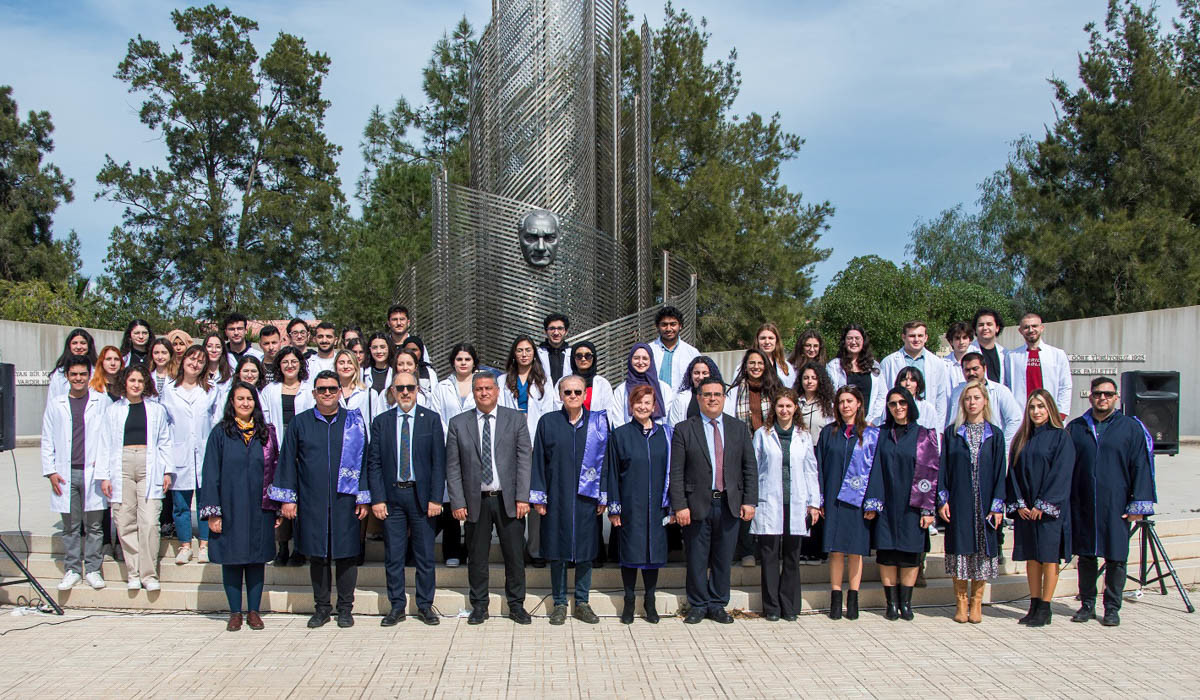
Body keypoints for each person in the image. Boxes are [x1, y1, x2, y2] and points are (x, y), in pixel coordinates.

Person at [270, 370, 371, 629]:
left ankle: (345, 608)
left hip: (345, 500)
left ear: (340, 392)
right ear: (314, 393)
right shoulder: (300, 423)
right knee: (318, 554)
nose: (327, 393)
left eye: (332, 389)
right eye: (322, 389)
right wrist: (288, 499)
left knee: (346, 555)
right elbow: (287, 461)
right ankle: (322, 608)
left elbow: (364, 460)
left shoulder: (353, 422)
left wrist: (363, 496)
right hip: (311, 500)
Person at [1067, 376, 1156, 627]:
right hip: (1084, 503)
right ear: (1090, 396)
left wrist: (1138, 504)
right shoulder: (1076, 428)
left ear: (1116, 397)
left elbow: (1141, 466)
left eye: (1107, 394)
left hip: (1116, 504)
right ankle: (1087, 604)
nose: (1102, 398)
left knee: (1116, 557)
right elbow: (1066, 467)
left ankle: (1112, 608)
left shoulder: (1130, 428)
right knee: (1086, 556)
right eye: (1098, 394)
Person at [445, 372, 534, 625]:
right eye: (479, 389)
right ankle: (479, 606)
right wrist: (458, 502)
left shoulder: (515, 419)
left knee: (514, 556)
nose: (484, 393)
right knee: (477, 557)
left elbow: (524, 460)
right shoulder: (458, 423)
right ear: (473, 393)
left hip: (509, 500)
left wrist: (523, 497)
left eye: (488, 388)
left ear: (497, 391)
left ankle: (516, 605)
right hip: (476, 501)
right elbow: (452, 466)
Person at [670, 377, 757, 624]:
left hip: (729, 503)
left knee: (723, 558)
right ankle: (698, 605)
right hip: (697, 504)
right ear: (698, 398)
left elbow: (749, 467)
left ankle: (718, 604)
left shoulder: (738, 428)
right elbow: (676, 472)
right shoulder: (684, 429)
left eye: (717, 394)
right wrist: (680, 505)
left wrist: (750, 501)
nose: (712, 399)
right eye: (707, 394)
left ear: (724, 398)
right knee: (697, 558)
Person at [198, 382, 281, 632]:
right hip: (231, 507)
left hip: (259, 507)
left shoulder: (266, 433)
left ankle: (254, 611)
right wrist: (213, 512)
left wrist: (276, 506)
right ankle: (235, 612)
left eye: (249, 399)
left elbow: (276, 470)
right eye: (240, 399)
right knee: (232, 560)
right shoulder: (221, 433)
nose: (245, 403)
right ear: (232, 402)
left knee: (256, 560)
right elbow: (210, 472)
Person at [366, 371, 446, 627]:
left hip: (421, 498)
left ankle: (425, 605)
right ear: (392, 391)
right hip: (392, 498)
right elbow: (374, 463)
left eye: (410, 387)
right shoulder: (381, 422)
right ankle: (396, 606)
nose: (405, 392)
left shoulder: (431, 419)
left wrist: (436, 498)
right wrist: (378, 499)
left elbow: (439, 462)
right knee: (394, 556)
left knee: (424, 556)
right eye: (400, 388)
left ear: (417, 390)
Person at [530, 375, 609, 624]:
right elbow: (538, 461)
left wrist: (603, 495)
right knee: (557, 550)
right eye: (568, 392)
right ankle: (560, 603)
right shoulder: (548, 422)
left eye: (577, 392)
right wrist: (539, 496)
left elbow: (606, 462)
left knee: (586, 550)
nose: (573, 396)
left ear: (585, 394)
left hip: (587, 498)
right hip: (557, 496)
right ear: (560, 395)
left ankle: (582, 602)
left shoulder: (598, 424)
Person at [95, 364, 174, 591]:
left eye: (140, 381)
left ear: (145, 383)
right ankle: (133, 572)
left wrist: (167, 471)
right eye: (132, 381)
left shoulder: (156, 410)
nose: (136, 385)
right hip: (121, 465)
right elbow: (104, 443)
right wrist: (104, 476)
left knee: (149, 521)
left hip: (150, 465)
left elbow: (165, 441)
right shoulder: (113, 410)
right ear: (124, 383)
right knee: (124, 519)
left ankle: (149, 575)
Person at [939, 379, 1006, 624]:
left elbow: (1000, 471)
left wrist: (997, 505)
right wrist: (942, 499)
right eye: (967, 398)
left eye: (976, 398)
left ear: (985, 401)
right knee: (960, 550)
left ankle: (977, 602)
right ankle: (961, 602)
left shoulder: (995, 434)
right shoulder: (953, 432)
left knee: (982, 553)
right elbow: (943, 469)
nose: (972, 402)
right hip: (960, 501)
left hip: (985, 502)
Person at [1006, 389, 1075, 627]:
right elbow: (1013, 473)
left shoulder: (1061, 437)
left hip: (1049, 512)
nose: (1036, 411)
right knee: (1032, 558)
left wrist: (1043, 504)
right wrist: (1020, 504)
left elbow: (1061, 473)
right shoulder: (1022, 438)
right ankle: (1033, 604)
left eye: (1041, 406)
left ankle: (1045, 607)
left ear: (1050, 409)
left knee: (1048, 558)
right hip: (1026, 511)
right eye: (1033, 407)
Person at [605, 385, 673, 624]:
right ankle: (629, 600)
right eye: (638, 402)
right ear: (631, 405)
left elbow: (673, 471)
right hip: (630, 505)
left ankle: (650, 601)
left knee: (653, 555)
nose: (643, 407)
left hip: (657, 506)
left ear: (654, 407)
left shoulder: (666, 435)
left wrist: (673, 505)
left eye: (647, 403)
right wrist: (614, 508)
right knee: (631, 554)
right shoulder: (620, 435)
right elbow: (612, 473)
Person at [43, 356, 111, 591]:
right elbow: (47, 438)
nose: (78, 378)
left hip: (93, 472)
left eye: (83, 374)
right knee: (70, 526)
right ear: (67, 377)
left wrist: (105, 471)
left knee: (94, 526)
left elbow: (109, 437)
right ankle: (72, 569)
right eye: (74, 374)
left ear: (89, 376)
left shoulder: (101, 401)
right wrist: (50, 471)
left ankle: (93, 569)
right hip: (65, 473)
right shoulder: (57, 404)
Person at [870, 387, 939, 621]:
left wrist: (928, 508)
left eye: (902, 402)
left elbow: (931, 473)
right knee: (887, 553)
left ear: (910, 404)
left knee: (910, 553)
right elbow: (873, 467)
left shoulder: (924, 435)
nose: (898, 407)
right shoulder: (880, 434)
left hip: (913, 503)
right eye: (893, 404)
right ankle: (891, 603)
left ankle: (906, 603)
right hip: (887, 501)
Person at [751, 389, 820, 621]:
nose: (784, 410)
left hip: (796, 503)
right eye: (780, 406)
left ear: (795, 408)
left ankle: (789, 607)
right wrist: (751, 500)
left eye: (788, 406)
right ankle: (772, 607)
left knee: (792, 557)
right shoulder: (762, 434)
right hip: (769, 502)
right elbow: (753, 468)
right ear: (774, 408)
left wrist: (814, 503)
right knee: (769, 557)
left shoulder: (804, 436)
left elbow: (810, 470)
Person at [816, 386, 880, 620]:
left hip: (857, 501)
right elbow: (819, 467)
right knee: (835, 550)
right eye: (841, 401)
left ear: (859, 404)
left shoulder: (870, 435)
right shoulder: (829, 433)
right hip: (833, 498)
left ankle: (853, 598)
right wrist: (820, 498)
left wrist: (872, 501)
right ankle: (835, 598)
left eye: (849, 401)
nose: (845, 405)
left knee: (855, 551)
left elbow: (876, 471)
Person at [498, 335, 554, 568]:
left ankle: (536, 549)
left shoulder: (544, 381)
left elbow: (548, 413)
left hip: (536, 446)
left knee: (536, 497)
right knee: (513, 498)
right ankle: (516, 548)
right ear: (514, 353)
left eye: (528, 350)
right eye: (520, 350)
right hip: (509, 446)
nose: (524, 354)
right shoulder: (502, 380)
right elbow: (500, 411)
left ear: (534, 354)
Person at [724, 348, 782, 567]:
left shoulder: (775, 390)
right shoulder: (735, 391)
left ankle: (769, 548)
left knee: (769, 498)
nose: (756, 367)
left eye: (760, 363)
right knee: (746, 498)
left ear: (766, 366)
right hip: (743, 450)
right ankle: (747, 549)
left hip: (770, 450)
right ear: (745, 366)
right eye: (752, 363)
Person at [163, 345, 218, 565]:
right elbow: (165, 424)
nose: (195, 364)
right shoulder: (169, 390)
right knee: (181, 505)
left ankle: (204, 545)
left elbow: (215, 421)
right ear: (183, 360)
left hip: (204, 453)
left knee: (206, 503)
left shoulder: (211, 389)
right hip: (178, 454)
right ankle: (185, 545)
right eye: (192, 359)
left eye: (200, 361)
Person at [260, 346, 313, 567]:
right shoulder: (269, 390)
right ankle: (282, 547)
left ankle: (299, 549)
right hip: (278, 452)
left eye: (294, 362)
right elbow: (264, 421)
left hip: (304, 453)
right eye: (285, 362)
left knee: (302, 501)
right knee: (280, 499)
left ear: (300, 364)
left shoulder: (309, 389)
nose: (290, 366)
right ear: (279, 365)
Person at [431, 343, 479, 569]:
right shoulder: (442, 387)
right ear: (453, 362)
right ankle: (451, 551)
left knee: (474, 501)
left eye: (467, 359)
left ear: (474, 362)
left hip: (476, 450)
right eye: (459, 359)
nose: (463, 363)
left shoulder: (482, 384)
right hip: (448, 448)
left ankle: (470, 550)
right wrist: (451, 440)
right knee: (451, 499)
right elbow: (437, 417)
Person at [795, 361, 835, 565]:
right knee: (802, 501)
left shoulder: (829, 405)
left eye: (813, 378)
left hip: (821, 454)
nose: (809, 381)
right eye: (805, 378)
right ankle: (803, 549)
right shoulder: (796, 402)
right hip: (800, 455)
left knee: (818, 500)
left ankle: (819, 549)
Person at [945, 353, 1022, 457]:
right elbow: (951, 420)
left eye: (975, 369)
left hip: (992, 449)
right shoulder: (957, 392)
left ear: (984, 368)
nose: (971, 373)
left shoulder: (1000, 391)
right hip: (962, 450)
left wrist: (1003, 446)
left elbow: (1015, 419)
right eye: (967, 370)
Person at [879, 320, 952, 430]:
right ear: (903, 337)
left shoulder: (937, 363)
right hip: (897, 419)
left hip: (926, 419)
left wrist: (939, 430)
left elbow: (940, 397)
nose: (916, 339)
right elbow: (882, 395)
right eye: (912, 336)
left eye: (920, 336)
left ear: (926, 338)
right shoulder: (888, 362)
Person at [1005, 313, 1073, 417]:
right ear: (1020, 331)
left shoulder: (1057, 354)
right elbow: (1007, 386)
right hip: (1022, 415)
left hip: (1050, 414)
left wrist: (1061, 412)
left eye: (1034, 326)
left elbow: (1065, 385)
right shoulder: (1012, 356)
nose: (1031, 330)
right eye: (1026, 327)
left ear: (1041, 328)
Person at [825, 324, 885, 423]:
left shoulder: (874, 365)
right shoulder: (834, 366)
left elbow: (881, 395)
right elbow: (831, 396)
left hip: (868, 423)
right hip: (843, 422)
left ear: (863, 341)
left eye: (857, 338)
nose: (853, 342)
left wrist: (873, 421)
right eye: (849, 338)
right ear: (844, 342)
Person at [611, 343, 673, 428]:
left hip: (658, 434)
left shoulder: (664, 388)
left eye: (645, 358)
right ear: (630, 360)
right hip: (628, 434)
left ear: (651, 360)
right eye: (636, 358)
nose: (640, 362)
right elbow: (618, 421)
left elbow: (668, 420)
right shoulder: (621, 390)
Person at [648, 306, 700, 392]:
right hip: (653, 399)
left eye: (673, 324)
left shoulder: (692, 353)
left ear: (680, 326)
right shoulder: (648, 351)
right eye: (664, 325)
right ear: (657, 326)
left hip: (683, 400)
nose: (668, 329)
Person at [667, 356, 723, 426]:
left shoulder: (722, 398)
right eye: (696, 373)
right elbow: (674, 427)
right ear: (691, 375)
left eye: (705, 373)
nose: (700, 377)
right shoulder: (681, 399)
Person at [47, 329, 97, 402]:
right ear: (69, 346)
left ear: (89, 346)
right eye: (74, 343)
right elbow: (52, 400)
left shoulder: (98, 371)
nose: (79, 347)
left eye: (83, 343)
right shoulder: (59, 373)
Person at [568, 341, 614, 414]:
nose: (583, 359)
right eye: (579, 356)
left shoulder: (602, 383)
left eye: (588, 356)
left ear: (593, 358)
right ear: (573, 358)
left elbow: (608, 411)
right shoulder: (564, 382)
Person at [970, 308, 1008, 385]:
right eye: (981, 325)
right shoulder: (968, 352)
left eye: (989, 324)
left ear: (997, 328)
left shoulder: (1005, 353)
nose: (985, 328)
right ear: (975, 329)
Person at [334, 349, 371, 429]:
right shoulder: (330, 392)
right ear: (336, 366)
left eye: (350, 363)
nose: (345, 366)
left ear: (355, 366)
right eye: (341, 363)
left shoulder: (369, 393)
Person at [363, 332, 394, 423]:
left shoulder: (395, 373)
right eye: (375, 348)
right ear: (370, 350)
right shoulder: (363, 373)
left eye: (382, 347)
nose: (379, 351)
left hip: (389, 421)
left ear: (389, 348)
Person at [755, 322, 796, 388]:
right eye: (763, 338)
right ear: (757, 341)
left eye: (771, 338)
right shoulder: (746, 366)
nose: (767, 342)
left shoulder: (787, 366)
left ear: (776, 341)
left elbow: (792, 389)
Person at [537, 313, 572, 385]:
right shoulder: (537, 355)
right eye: (552, 328)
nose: (556, 333)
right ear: (545, 331)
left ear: (566, 332)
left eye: (560, 328)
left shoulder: (573, 355)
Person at [202, 332, 233, 406]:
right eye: (209, 346)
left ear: (222, 350)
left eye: (218, 347)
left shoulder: (231, 375)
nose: (214, 350)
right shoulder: (197, 372)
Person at [943, 321, 974, 388]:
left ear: (970, 340)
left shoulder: (976, 362)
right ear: (951, 341)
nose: (961, 342)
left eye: (964, 338)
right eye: (957, 338)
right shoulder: (943, 364)